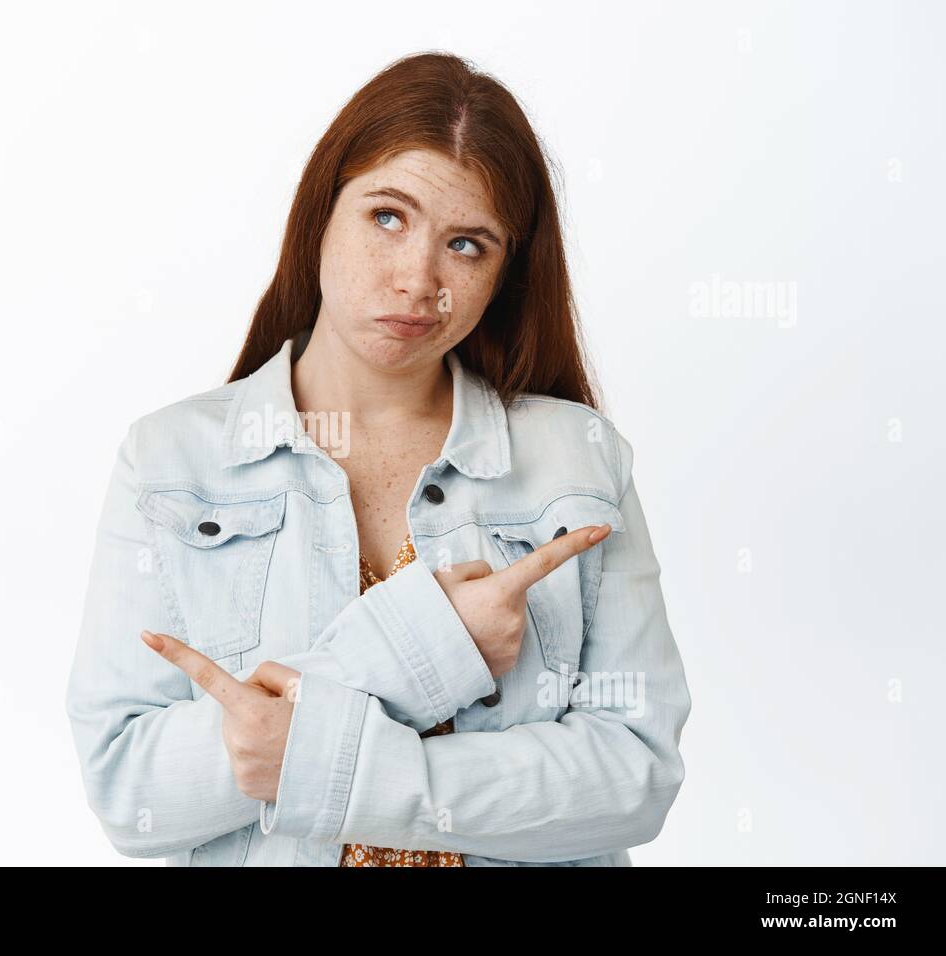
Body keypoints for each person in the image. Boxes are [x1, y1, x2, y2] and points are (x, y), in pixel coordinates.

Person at [65, 51, 692, 866]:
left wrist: (337, 768)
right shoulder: (175, 461)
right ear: (321, 211)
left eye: (466, 245)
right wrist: (424, 645)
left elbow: (634, 776)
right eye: (388, 217)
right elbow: (129, 790)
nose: (416, 280)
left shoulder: (576, 461)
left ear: (504, 273)